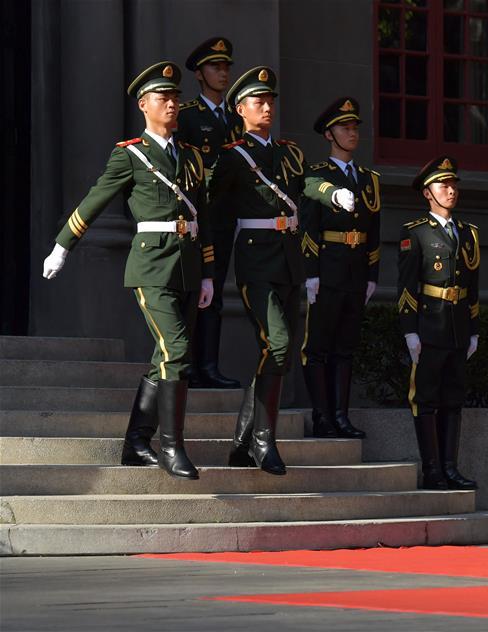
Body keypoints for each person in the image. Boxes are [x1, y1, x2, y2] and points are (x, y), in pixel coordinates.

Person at [41, 61, 213, 480]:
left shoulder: (190, 156)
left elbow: (202, 215)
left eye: (175, 97)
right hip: (152, 265)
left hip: (188, 265)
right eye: (162, 97)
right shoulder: (130, 154)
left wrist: (208, 271)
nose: (171, 104)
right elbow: (95, 199)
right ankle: (171, 447)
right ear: (143, 105)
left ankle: (136, 442)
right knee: (176, 349)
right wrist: (62, 246)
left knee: (165, 357)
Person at [209, 65, 356, 475]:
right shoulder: (232, 157)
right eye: (258, 101)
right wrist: (208, 266)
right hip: (255, 262)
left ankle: (242, 442)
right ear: (241, 109)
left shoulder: (289, 152)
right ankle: (263, 440)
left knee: (279, 352)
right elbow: (212, 208)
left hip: (290, 260)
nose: (267, 107)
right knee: (276, 344)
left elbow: (307, 182)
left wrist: (332, 193)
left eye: (270, 101)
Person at [396, 156, 479, 490]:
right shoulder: (415, 232)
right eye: (443, 185)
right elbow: (406, 286)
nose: (451, 190)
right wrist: (410, 330)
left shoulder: (468, 233)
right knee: (427, 398)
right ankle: (432, 470)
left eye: (453, 184)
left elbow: (474, 287)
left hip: (458, 327)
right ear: (427, 192)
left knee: (453, 399)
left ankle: (450, 468)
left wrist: (473, 330)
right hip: (430, 325)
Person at [299, 97, 380, 440]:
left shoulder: (369, 179)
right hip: (328, 268)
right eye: (345, 128)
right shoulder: (317, 175)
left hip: (355, 272)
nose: (352, 133)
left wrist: (372, 275)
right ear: (329, 134)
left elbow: (374, 230)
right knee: (318, 346)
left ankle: (341, 417)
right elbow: (308, 228)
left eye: (355, 127)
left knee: (345, 348)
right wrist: (311, 272)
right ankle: (322, 417)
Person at [177, 36, 243, 389]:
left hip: (224, 219)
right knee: (190, 290)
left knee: (213, 291)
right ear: (199, 74)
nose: (223, 73)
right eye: (215, 67)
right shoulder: (187, 115)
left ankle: (209, 365)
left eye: (226, 67)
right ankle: (185, 364)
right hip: (194, 217)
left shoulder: (236, 120)